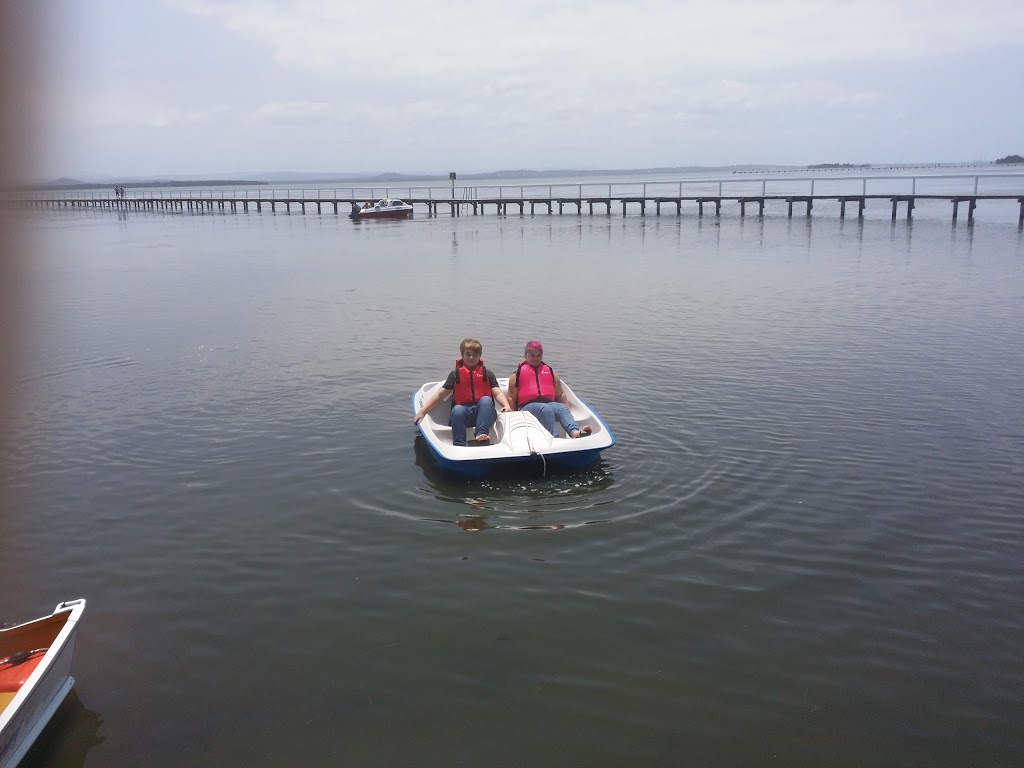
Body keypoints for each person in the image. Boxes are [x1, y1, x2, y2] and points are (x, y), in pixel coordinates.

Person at [413, 338, 512, 446]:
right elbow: (440, 395)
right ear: (462, 355)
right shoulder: (455, 375)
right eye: (468, 354)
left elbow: (497, 393)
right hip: (464, 416)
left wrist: (506, 405)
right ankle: (459, 443)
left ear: (480, 356)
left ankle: (481, 435)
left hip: (486, 415)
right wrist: (423, 410)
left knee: (486, 400)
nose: (471, 357)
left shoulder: (487, 374)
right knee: (457, 409)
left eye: (475, 354)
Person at [507, 341, 592, 439]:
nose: (536, 358)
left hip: (548, 404)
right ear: (526, 355)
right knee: (545, 409)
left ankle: (575, 432)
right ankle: (554, 437)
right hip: (526, 407)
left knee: (561, 407)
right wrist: (513, 415)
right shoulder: (516, 375)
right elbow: (511, 397)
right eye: (532, 355)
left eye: (539, 355)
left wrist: (568, 411)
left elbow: (560, 394)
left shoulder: (551, 372)